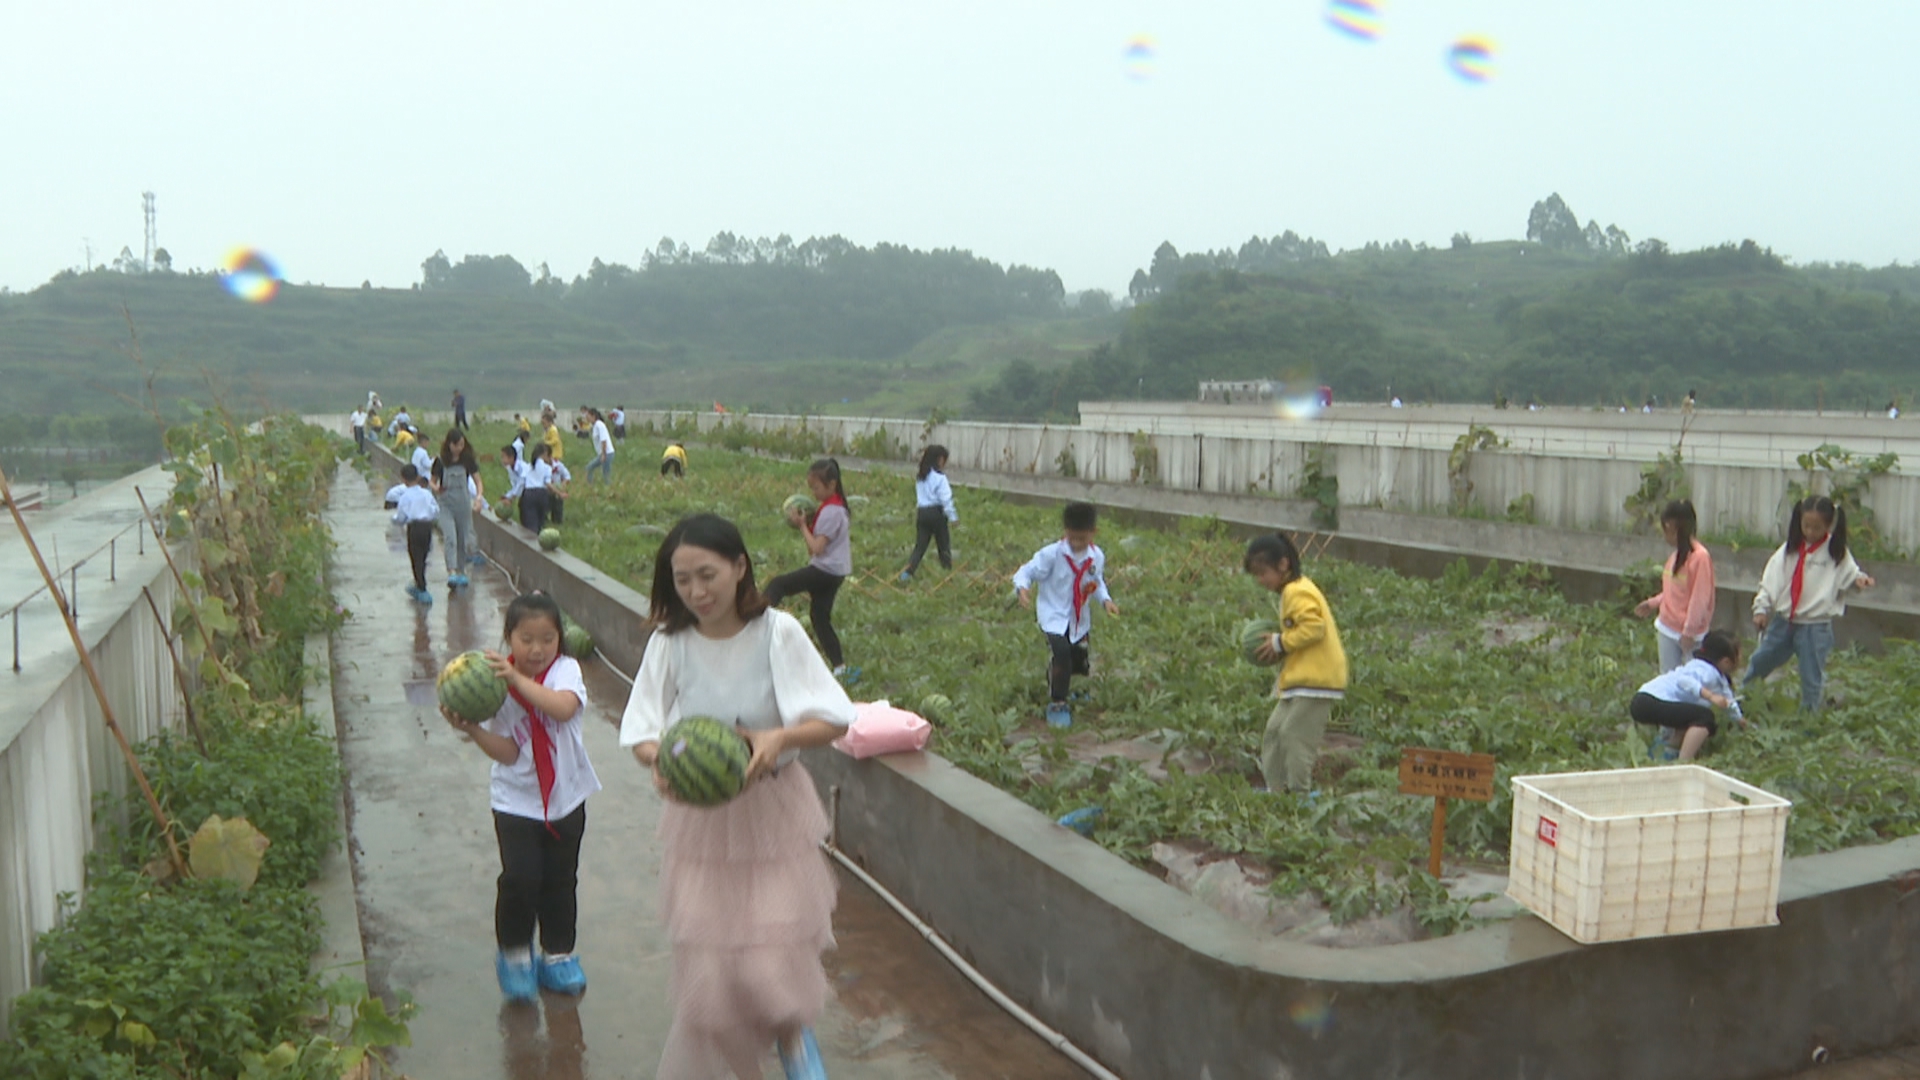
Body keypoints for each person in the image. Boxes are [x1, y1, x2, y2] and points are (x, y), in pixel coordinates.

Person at [617, 514, 853, 1080]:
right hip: (701, 821)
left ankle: (793, 1036)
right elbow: (642, 730)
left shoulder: (778, 633)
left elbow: (834, 719)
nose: (696, 592)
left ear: (739, 567)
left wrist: (781, 738)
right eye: (682, 580)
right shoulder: (670, 643)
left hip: (772, 810)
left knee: (770, 951)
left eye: (707, 575)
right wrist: (662, 764)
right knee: (714, 966)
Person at [440, 592, 600, 1001]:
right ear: (509, 638)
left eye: (547, 638)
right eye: (526, 638)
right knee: (520, 880)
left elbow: (562, 709)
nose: (537, 648)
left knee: (561, 882)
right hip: (516, 802)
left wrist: (517, 681)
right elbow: (509, 752)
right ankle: (513, 956)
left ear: (559, 640)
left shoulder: (566, 671)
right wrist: (473, 730)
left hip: (566, 798)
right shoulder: (496, 684)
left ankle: (558, 956)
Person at [1744, 496, 1875, 712]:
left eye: (1817, 528)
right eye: (1806, 526)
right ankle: (1743, 699)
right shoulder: (1789, 550)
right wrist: (1761, 608)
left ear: (1828, 525)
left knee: (1811, 675)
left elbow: (1850, 575)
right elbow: (1770, 580)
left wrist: (1859, 581)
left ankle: (1808, 718)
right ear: (1799, 522)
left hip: (1815, 626)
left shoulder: (1836, 552)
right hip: (1784, 621)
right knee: (1761, 660)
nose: (1811, 532)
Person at [1243, 532, 1347, 795]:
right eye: (1256, 575)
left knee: (1294, 735)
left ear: (1283, 565)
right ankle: (1275, 790)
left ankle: (1300, 794)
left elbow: (1314, 627)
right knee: (1275, 732)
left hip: (1318, 680)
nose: (1261, 580)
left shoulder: (1296, 591)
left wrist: (1280, 643)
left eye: (1263, 572)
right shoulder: (1292, 590)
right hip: (1299, 679)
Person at [1012, 502, 1119, 728]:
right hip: (1053, 616)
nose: (1077, 543)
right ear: (1065, 532)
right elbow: (1026, 571)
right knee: (1062, 655)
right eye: (1072, 538)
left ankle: (1078, 689)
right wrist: (1022, 588)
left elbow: (1096, 581)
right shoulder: (1052, 554)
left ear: (1093, 533)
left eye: (1082, 538)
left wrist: (1106, 600)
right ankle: (1058, 701)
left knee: (1079, 655)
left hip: (1079, 619)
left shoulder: (1096, 557)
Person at [767, 459, 856, 683]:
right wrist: (806, 526)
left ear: (832, 484)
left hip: (825, 571)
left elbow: (816, 548)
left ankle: (756, 623)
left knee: (778, 584)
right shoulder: (835, 508)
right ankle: (840, 667)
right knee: (819, 618)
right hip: (834, 572)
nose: (813, 493)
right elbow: (812, 549)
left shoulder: (831, 512)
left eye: (816, 487)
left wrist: (802, 526)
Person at [1631, 630, 1743, 762]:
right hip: (1650, 700)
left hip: (1644, 699)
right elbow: (1684, 681)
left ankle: (1663, 752)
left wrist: (1740, 720)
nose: (1742, 659)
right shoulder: (1705, 670)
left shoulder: (1718, 677)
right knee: (1705, 718)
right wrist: (1711, 696)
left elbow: (1728, 701)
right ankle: (1684, 762)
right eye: (1740, 655)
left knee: (1691, 717)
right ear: (1726, 662)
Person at [1633, 500, 1715, 673]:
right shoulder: (1676, 556)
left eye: (1665, 529)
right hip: (1667, 627)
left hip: (1688, 635)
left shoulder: (1700, 558)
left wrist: (1689, 631)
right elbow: (1674, 591)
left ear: (1673, 527)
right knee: (1668, 680)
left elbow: (1699, 598)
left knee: (1691, 681)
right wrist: (1653, 603)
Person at [900, 444, 957, 581]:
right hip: (937, 513)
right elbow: (946, 499)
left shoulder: (921, 476)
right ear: (938, 459)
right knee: (943, 544)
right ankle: (947, 573)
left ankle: (907, 573)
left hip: (922, 513)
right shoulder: (940, 478)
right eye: (943, 460)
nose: (944, 463)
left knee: (920, 546)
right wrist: (953, 517)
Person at [432, 429, 479, 589]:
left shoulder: (467, 461)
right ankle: (451, 571)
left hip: (463, 502)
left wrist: (478, 498)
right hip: (446, 503)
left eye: (462, 445)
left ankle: (461, 569)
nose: (459, 448)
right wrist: (436, 488)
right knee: (450, 537)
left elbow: (478, 481)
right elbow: (432, 481)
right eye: (456, 445)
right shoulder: (440, 461)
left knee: (463, 537)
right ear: (449, 444)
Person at [392, 465, 438, 604]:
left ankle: (421, 588)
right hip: (427, 527)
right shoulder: (426, 493)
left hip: (414, 528)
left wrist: (395, 520)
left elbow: (401, 517)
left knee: (415, 558)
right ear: (417, 477)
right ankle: (420, 583)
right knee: (423, 556)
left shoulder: (405, 497)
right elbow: (436, 510)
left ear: (404, 479)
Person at [504, 442, 557, 534]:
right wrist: (558, 492)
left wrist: (511, 497)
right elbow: (547, 483)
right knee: (539, 524)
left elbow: (521, 482)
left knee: (529, 526)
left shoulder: (528, 467)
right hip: (543, 495)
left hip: (529, 495)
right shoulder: (546, 468)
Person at [587, 409, 614, 484]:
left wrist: (603, 454)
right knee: (603, 472)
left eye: (588, 416)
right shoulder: (595, 425)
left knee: (604, 473)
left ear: (593, 416)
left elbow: (603, 440)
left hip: (607, 453)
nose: (587, 418)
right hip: (603, 453)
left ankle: (592, 485)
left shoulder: (599, 425)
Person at [548, 454, 572, 525]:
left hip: (557, 490)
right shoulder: (541, 466)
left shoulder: (558, 465)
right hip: (546, 490)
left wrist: (563, 484)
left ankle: (557, 520)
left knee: (558, 506)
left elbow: (567, 476)